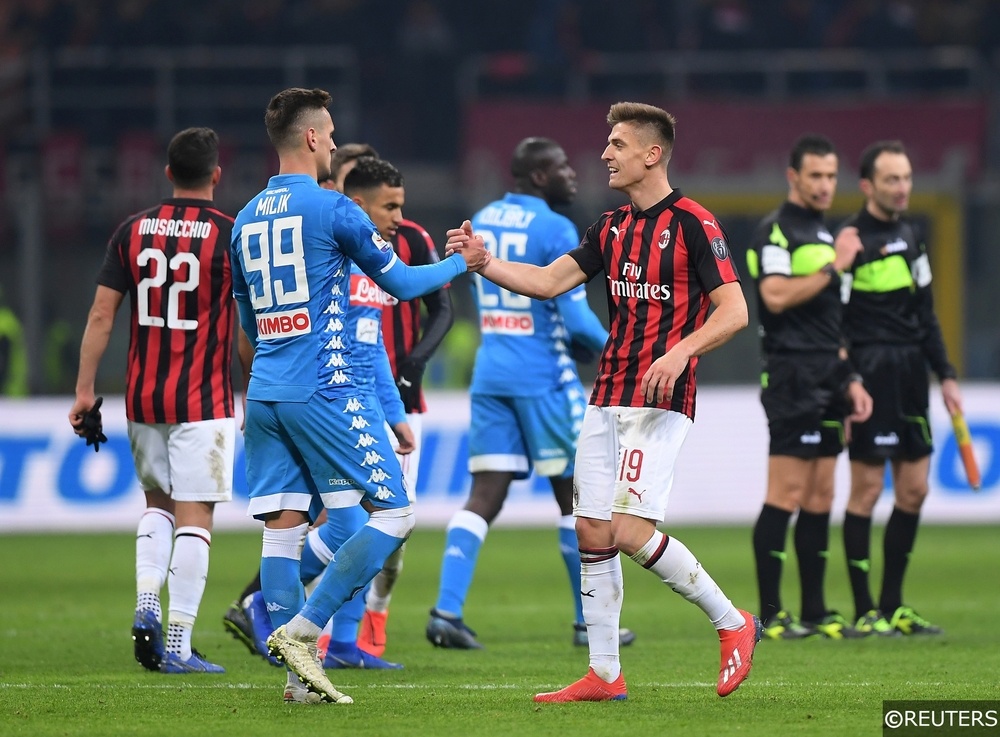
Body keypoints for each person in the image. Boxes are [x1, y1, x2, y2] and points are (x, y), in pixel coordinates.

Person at [446, 102, 761, 702]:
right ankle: (604, 674)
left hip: (658, 398)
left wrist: (678, 354)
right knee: (591, 528)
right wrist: (484, 263)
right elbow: (546, 281)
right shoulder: (612, 227)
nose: (605, 153)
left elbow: (735, 310)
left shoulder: (695, 223)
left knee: (623, 526)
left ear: (652, 153)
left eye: (617, 144)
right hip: (606, 395)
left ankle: (731, 621)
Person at [230, 87, 486, 705]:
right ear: (313, 138)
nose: (337, 143)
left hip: (264, 392)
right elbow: (397, 282)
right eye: (332, 133)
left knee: (283, 533)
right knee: (395, 514)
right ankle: (304, 629)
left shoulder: (243, 219)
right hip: (324, 386)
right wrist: (463, 263)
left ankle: (299, 687)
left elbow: (246, 326)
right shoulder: (334, 208)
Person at [425, 136, 632, 651]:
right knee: (576, 498)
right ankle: (589, 621)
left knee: (483, 495)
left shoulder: (483, 217)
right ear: (539, 176)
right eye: (562, 165)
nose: (573, 172)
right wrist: (617, 350)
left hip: (492, 372)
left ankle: (445, 611)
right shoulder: (555, 226)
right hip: (543, 376)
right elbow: (576, 318)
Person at [68, 127, 243, 674]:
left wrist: (84, 390)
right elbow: (245, 325)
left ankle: (146, 601)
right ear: (216, 175)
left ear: (167, 173)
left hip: (142, 397)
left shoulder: (132, 230)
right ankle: (178, 642)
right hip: (204, 398)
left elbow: (101, 315)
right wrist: (256, 383)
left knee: (156, 507)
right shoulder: (229, 234)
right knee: (196, 516)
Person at [746, 134, 875, 640]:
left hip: (827, 376)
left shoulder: (824, 235)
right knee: (788, 491)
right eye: (816, 175)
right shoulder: (775, 232)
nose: (825, 185)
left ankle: (817, 612)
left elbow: (830, 322)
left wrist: (850, 378)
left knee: (822, 493)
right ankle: (772, 614)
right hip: (791, 375)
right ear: (793, 176)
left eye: (831, 175)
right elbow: (775, 297)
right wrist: (835, 266)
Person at [836, 140, 963, 636]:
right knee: (866, 491)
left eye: (907, 177)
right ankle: (865, 608)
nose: (902, 187)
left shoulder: (913, 237)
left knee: (914, 489)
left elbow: (926, 315)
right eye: (892, 179)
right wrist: (847, 382)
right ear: (869, 185)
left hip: (912, 376)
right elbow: (835, 322)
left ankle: (893, 605)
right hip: (871, 375)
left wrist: (946, 374)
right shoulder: (850, 240)